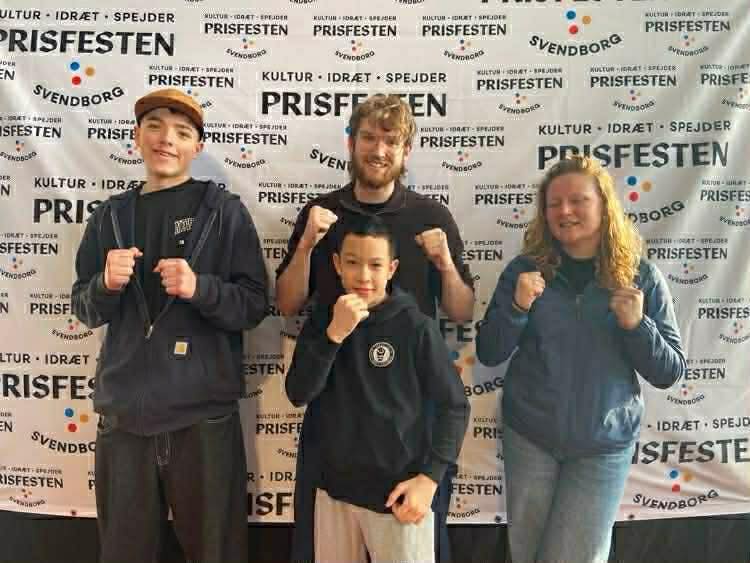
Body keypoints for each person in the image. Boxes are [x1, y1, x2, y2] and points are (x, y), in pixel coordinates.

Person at [71, 88, 268, 563]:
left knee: (216, 554)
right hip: (125, 421)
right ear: (137, 136)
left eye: (181, 132)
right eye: (155, 126)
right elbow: (84, 308)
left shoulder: (224, 212)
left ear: (197, 147)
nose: (166, 139)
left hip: (203, 422)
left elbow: (254, 305)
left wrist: (201, 288)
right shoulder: (109, 217)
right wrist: (104, 285)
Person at [275, 94, 475, 562]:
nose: (378, 150)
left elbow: (462, 312)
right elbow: (286, 304)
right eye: (368, 137)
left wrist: (445, 264)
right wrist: (305, 246)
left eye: (390, 141)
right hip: (334, 424)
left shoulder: (431, 217)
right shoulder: (321, 213)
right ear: (351, 142)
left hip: (405, 431)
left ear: (406, 150)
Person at [476, 155, 686, 563]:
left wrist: (637, 326)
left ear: (604, 206)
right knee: (527, 555)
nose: (565, 211)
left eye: (578, 200)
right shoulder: (524, 271)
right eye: (554, 203)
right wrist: (517, 308)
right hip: (530, 437)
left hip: (602, 446)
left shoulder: (640, 276)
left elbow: (669, 372)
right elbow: (490, 352)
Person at [285, 215, 470, 563]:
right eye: (353, 262)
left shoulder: (415, 326)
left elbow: (455, 406)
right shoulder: (323, 319)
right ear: (337, 264)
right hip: (333, 491)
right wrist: (334, 336)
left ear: (392, 268)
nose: (364, 276)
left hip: (398, 494)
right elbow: (298, 393)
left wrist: (429, 479)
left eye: (375, 265)